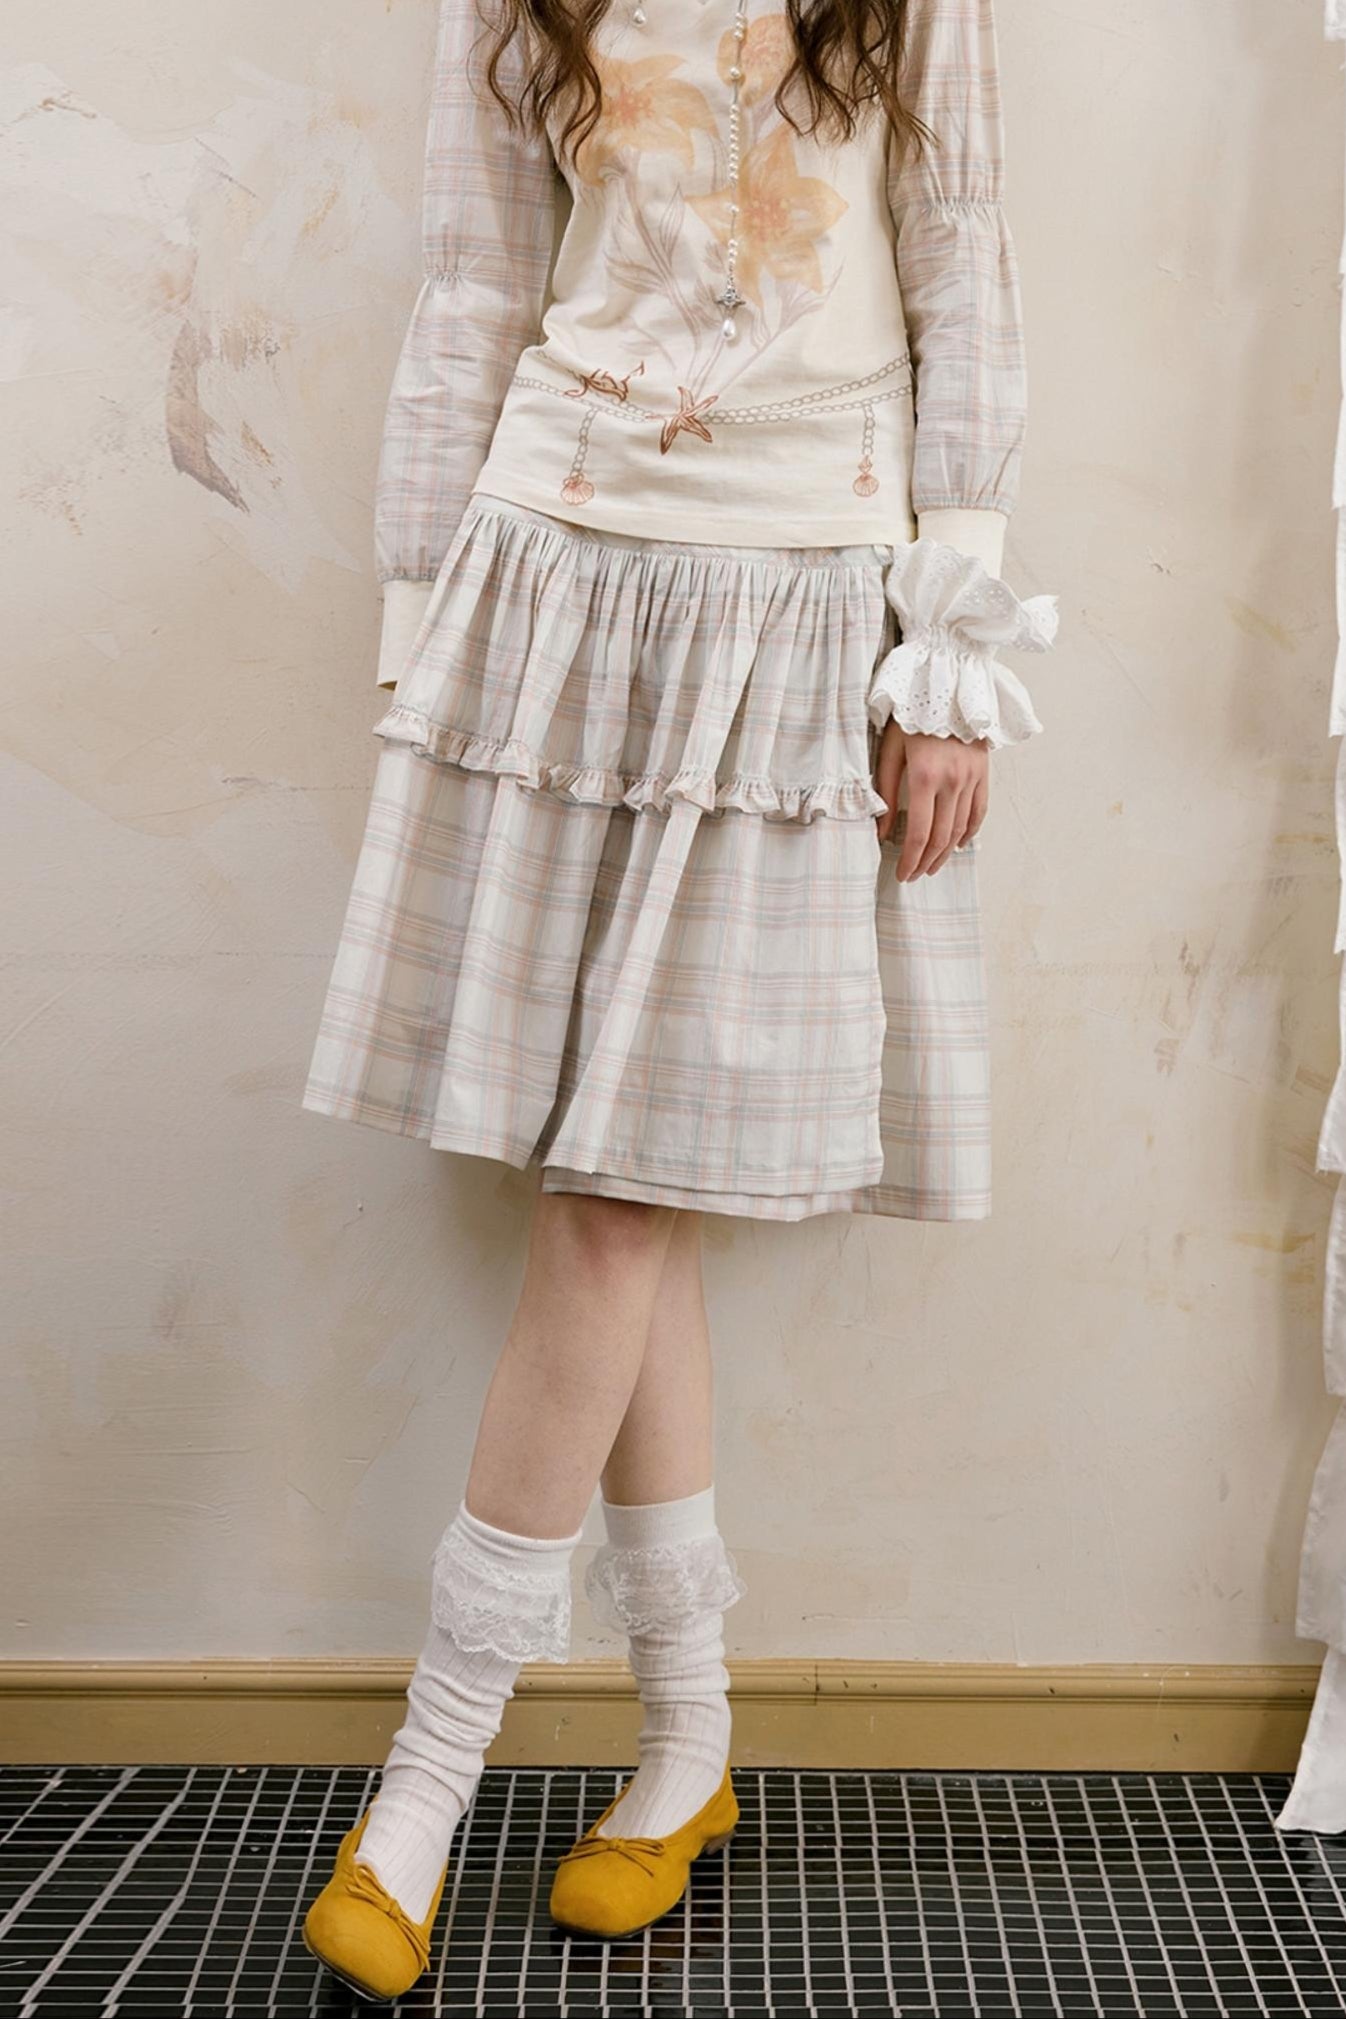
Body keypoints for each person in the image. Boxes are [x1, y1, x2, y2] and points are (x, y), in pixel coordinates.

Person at [299, 0, 1059, 1996]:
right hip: (550, 582)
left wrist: (948, 649)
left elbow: (965, 267)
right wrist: (418, 621)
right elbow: (472, 284)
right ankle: (688, 1744)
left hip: (803, 594)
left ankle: (426, 1779)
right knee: (633, 1195)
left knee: (620, 1199)